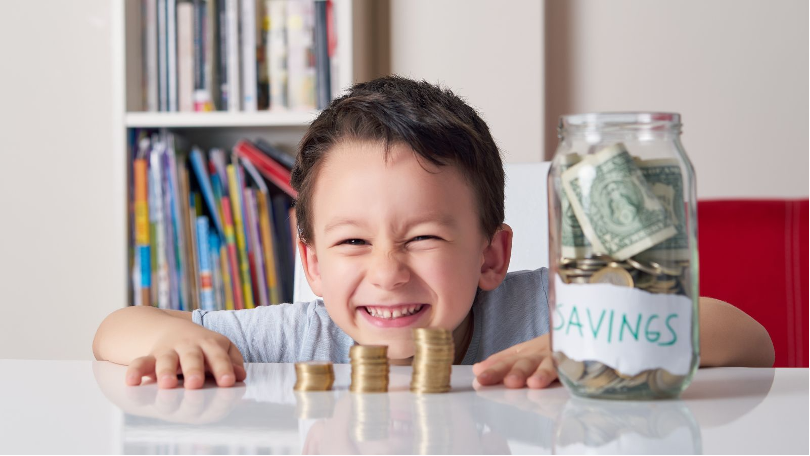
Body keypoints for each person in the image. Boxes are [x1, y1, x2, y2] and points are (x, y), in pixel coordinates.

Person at [93, 76, 775, 390]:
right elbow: (114, 329)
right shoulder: (299, 338)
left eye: (421, 238)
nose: (387, 271)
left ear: (492, 254)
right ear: (312, 263)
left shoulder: (556, 313)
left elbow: (746, 338)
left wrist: (581, 343)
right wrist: (170, 336)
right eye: (353, 242)